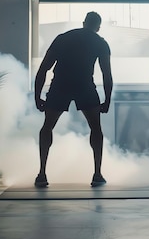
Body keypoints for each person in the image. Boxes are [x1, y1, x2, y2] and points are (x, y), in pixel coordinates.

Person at [34, 11, 113, 188]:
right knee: (96, 128)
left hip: (61, 84)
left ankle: (41, 174)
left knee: (48, 126)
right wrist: (107, 100)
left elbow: (43, 69)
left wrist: (37, 96)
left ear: (84, 23)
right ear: (98, 27)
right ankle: (98, 174)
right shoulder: (100, 42)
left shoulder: (63, 38)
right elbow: (107, 75)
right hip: (84, 84)